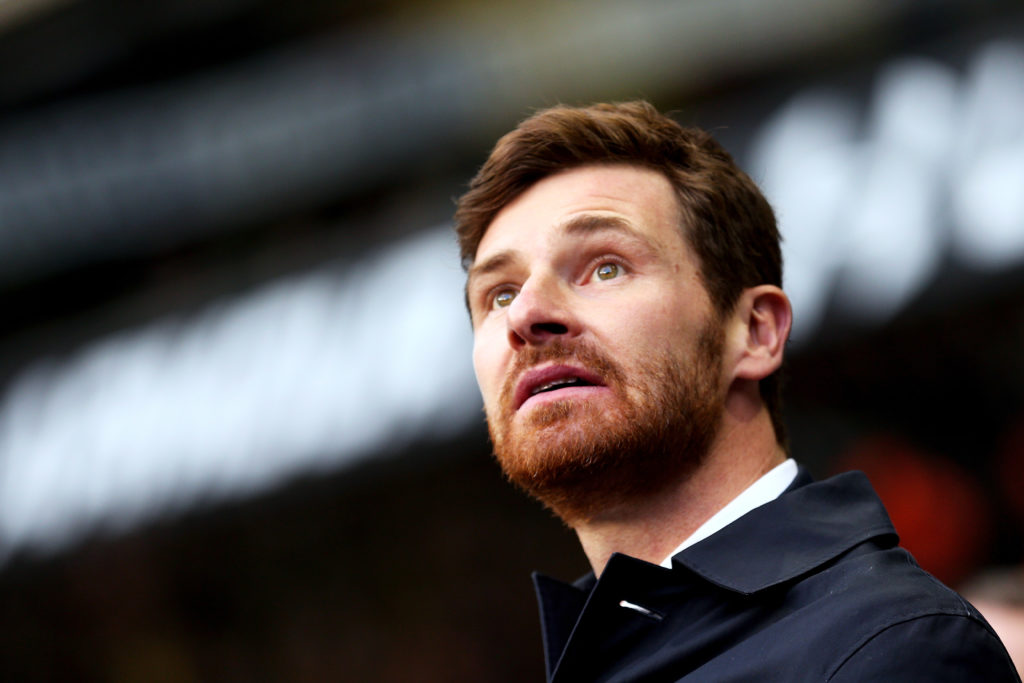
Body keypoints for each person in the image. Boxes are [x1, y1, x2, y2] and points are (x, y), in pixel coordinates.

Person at [454, 100, 1019, 681]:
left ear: (754, 332)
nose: (525, 314)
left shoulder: (891, 648)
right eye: (498, 294)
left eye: (605, 267)